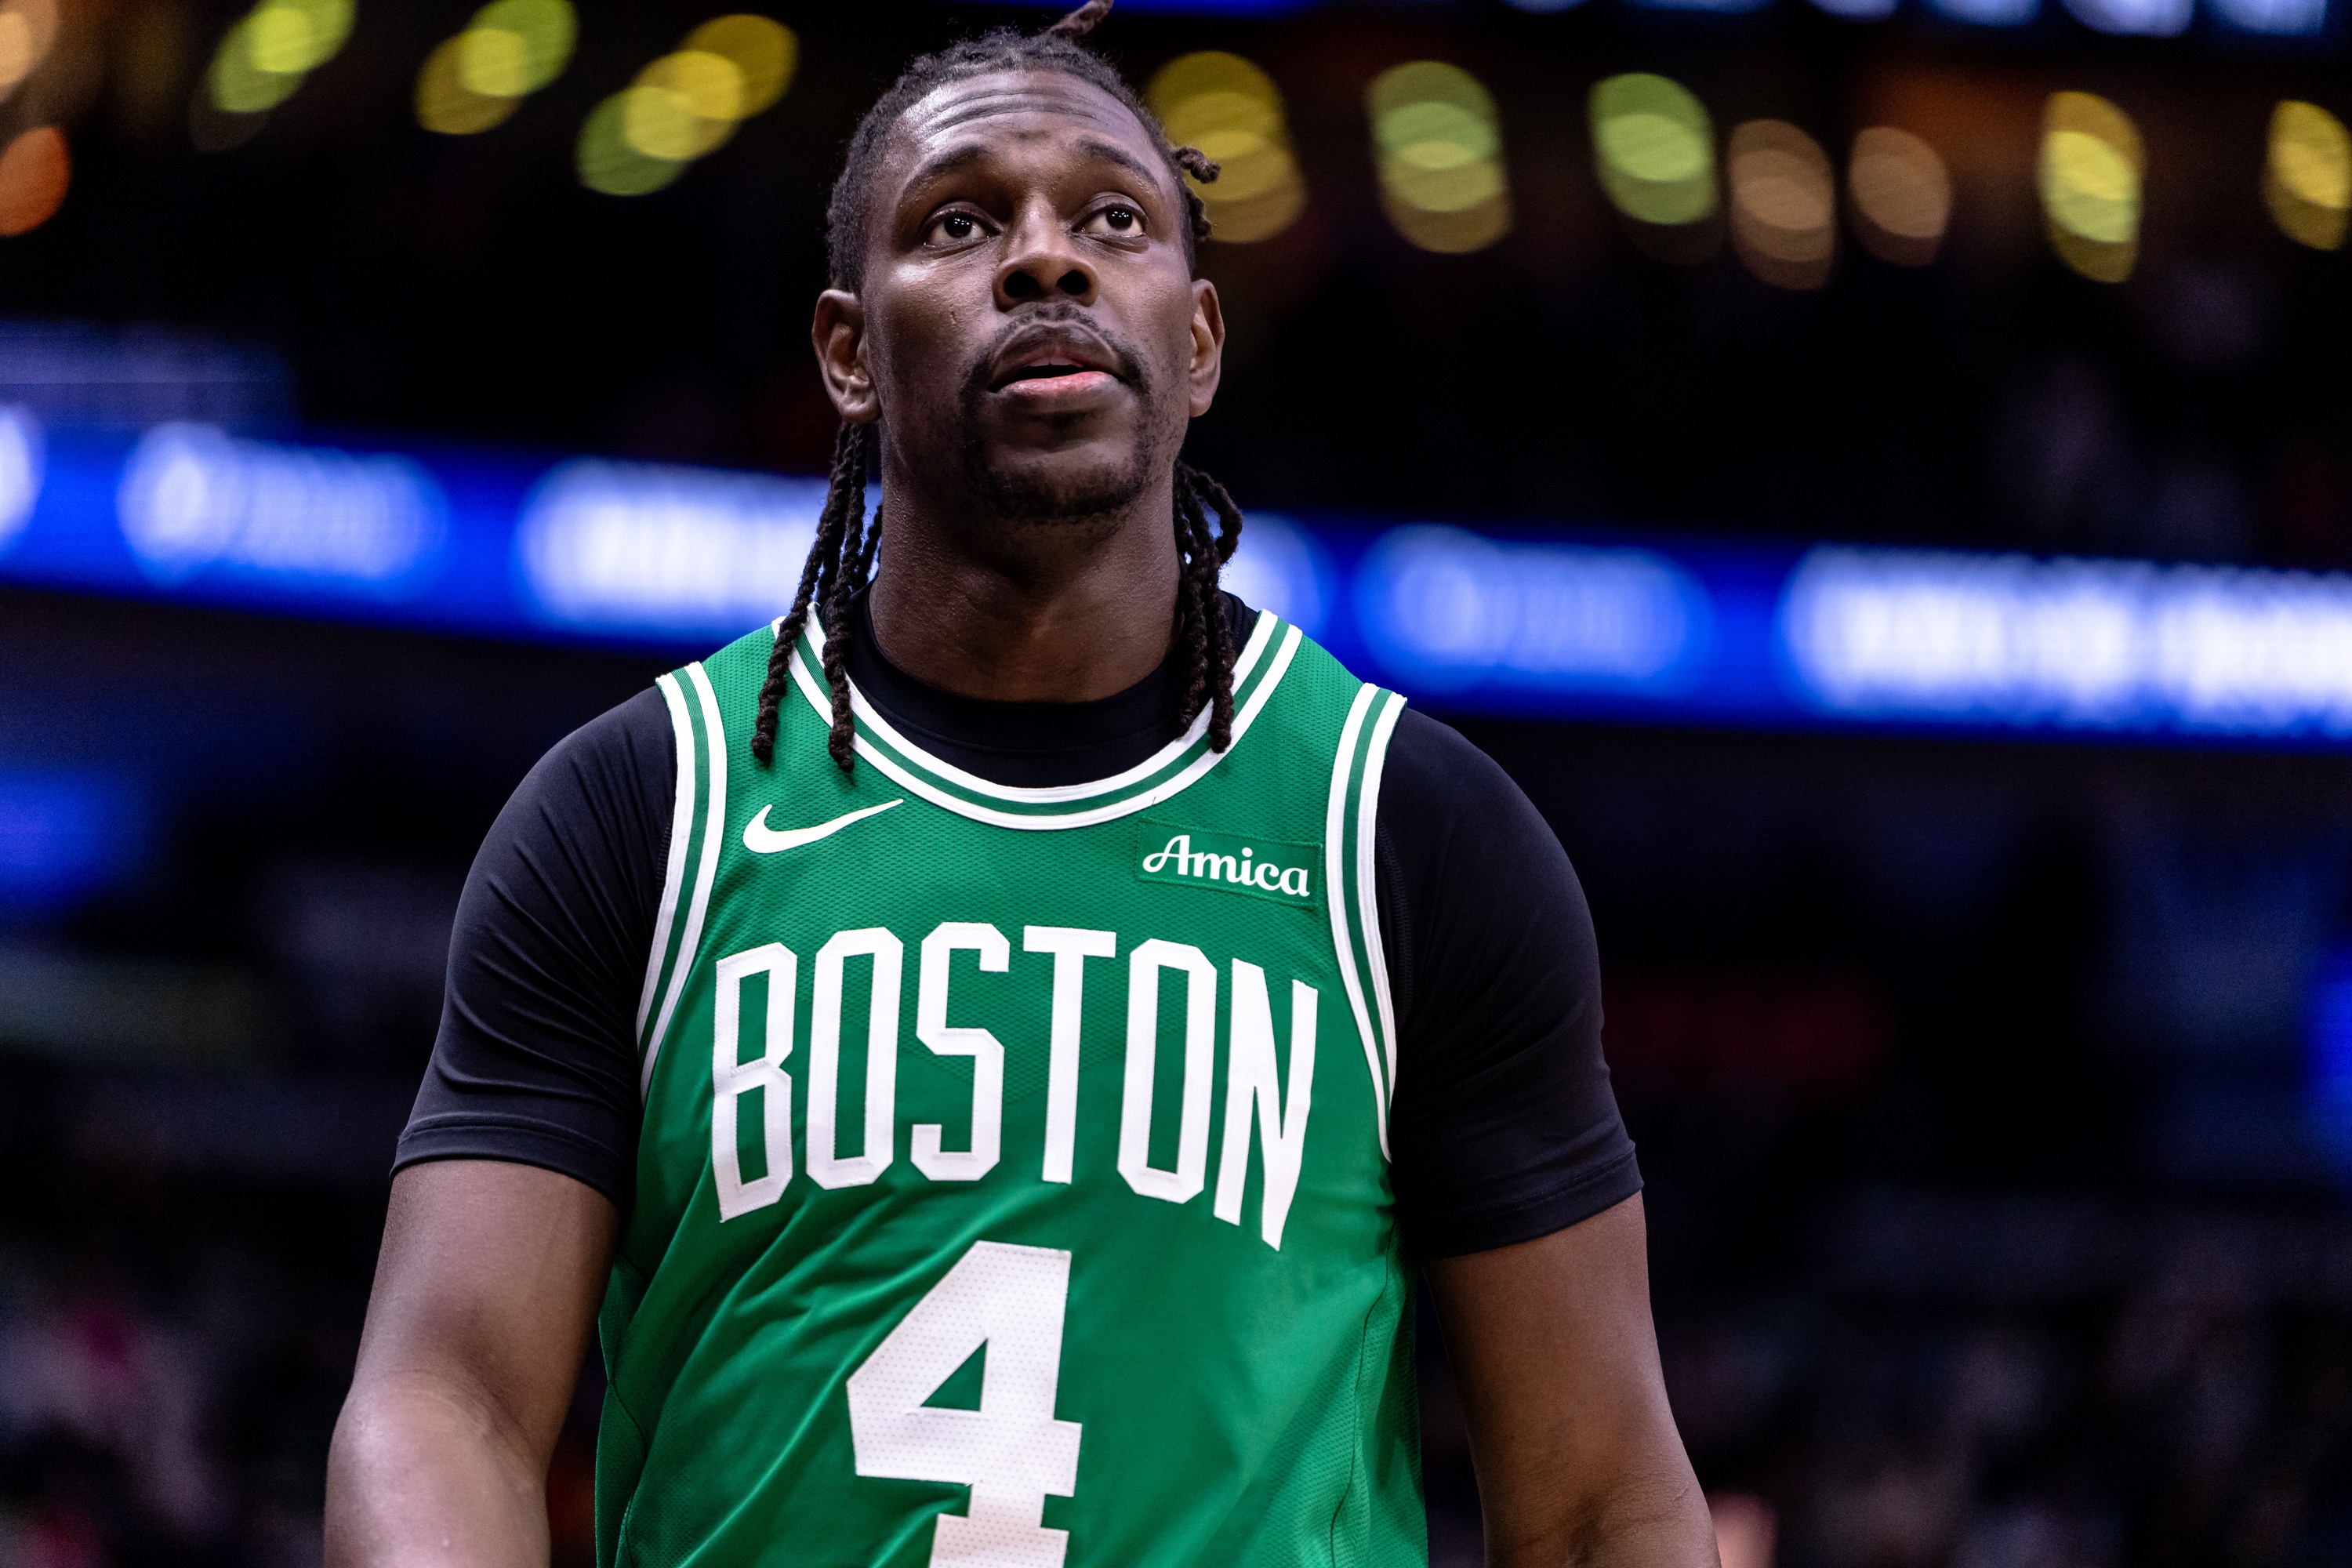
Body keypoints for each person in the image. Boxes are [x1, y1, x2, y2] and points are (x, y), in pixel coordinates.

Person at [325, 4, 1715, 1563]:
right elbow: (446, 1401)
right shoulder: (641, 811)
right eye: (962, 219)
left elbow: (1602, 1494)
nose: (1046, 258)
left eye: (1112, 218)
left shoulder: (1409, 832)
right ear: (849, 351)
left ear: (1196, 341)